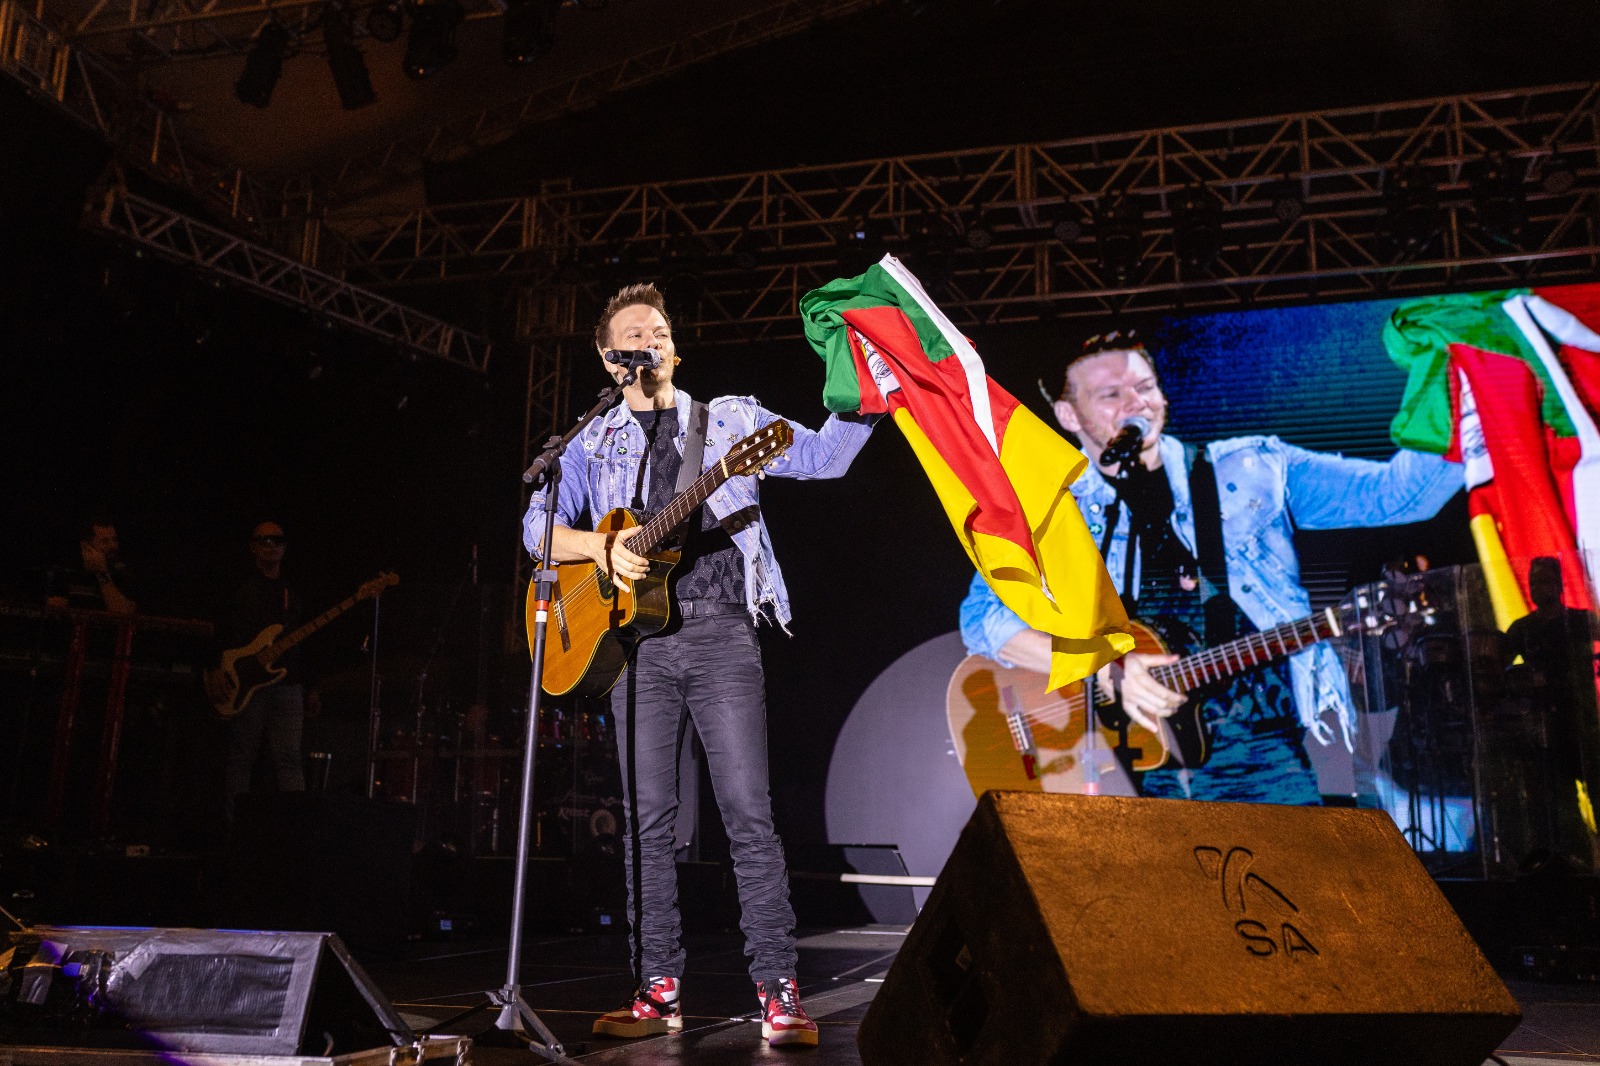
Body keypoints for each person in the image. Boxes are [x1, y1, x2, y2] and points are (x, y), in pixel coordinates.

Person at [522, 282, 874, 1048]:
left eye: (657, 331)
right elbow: (536, 529)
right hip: (633, 645)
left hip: (720, 633)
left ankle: (779, 989)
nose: (646, 341)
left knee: (747, 813)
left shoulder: (733, 423)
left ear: (674, 349)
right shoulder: (591, 442)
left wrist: (867, 397)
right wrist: (601, 546)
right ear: (607, 358)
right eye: (631, 335)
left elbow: (823, 459)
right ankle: (656, 988)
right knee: (646, 824)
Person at [960, 329, 1463, 804]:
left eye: (1145, 387)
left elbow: (1397, 496)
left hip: (1262, 747)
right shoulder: (1053, 507)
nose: (1137, 404)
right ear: (1068, 415)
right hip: (1125, 761)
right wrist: (1106, 669)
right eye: (1111, 395)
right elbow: (983, 618)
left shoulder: (1252, 469)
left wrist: (1464, 398)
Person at [1503, 556, 1600, 864]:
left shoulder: (1579, 621)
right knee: (1564, 811)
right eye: (1533, 582)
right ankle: (1582, 867)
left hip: (1584, 726)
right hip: (1547, 731)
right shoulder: (1524, 629)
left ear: (1559, 585)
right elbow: (1499, 665)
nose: (1537, 588)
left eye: (1543, 581)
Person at [210, 521, 309, 810]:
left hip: (288, 683)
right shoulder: (239, 588)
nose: (271, 545)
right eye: (265, 540)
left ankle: (295, 824)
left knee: (289, 757)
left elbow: (302, 643)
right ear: (253, 546)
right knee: (243, 755)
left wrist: (311, 685)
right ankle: (236, 824)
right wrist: (215, 668)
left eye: (277, 540)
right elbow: (219, 630)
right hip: (246, 680)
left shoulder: (292, 592)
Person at [47, 517, 137, 614]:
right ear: (86, 547)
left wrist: (102, 575)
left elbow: (123, 612)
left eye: (115, 540)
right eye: (105, 541)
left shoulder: (121, 571)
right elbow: (54, 608)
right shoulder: (68, 571)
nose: (113, 546)